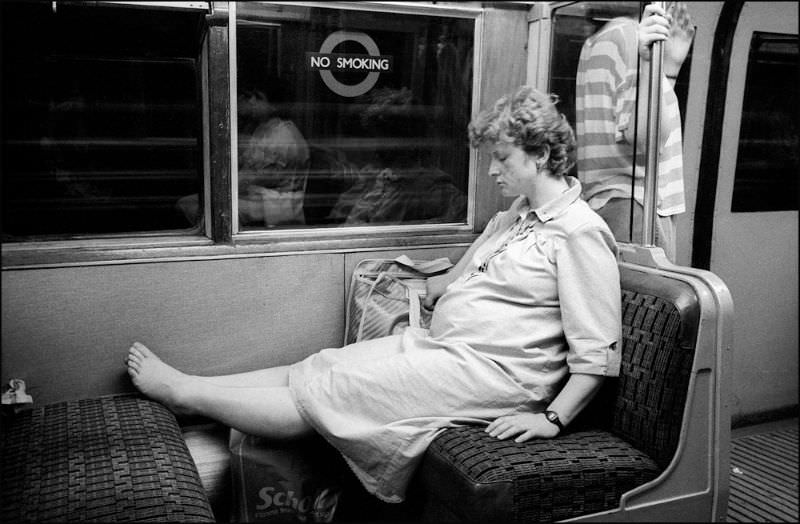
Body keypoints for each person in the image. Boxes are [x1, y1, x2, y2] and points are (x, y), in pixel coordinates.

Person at [126, 85, 621, 504]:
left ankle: (182, 392)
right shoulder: (512, 219)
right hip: (447, 349)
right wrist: (428, 284)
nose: (492, 172)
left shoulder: (579, 232)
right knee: (323, 363)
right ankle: (195, 389)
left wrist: (552, 420)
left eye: (502, 158)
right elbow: (450, 285)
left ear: (539, 153)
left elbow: (596, 352)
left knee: (335, 392)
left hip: (495, 373)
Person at [575, 2, 695, 262]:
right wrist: (656, 62)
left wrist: (669, 69)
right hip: (639, 207)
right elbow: (645, 138)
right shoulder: (632, 36)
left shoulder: (597, 41)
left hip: (612, 204)